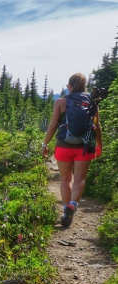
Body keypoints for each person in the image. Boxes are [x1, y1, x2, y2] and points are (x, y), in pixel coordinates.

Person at [41, 72, 102, 226]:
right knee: (79, 179)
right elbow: (97, 127)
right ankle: (73, 205)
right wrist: (99, 144)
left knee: (65, 179)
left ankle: (65, 211)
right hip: (85, 146)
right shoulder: (92, 102)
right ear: (84, 86)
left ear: (70, 86)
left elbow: (53, 125)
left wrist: (45, 143)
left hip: (63, 146)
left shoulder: (61, 102)